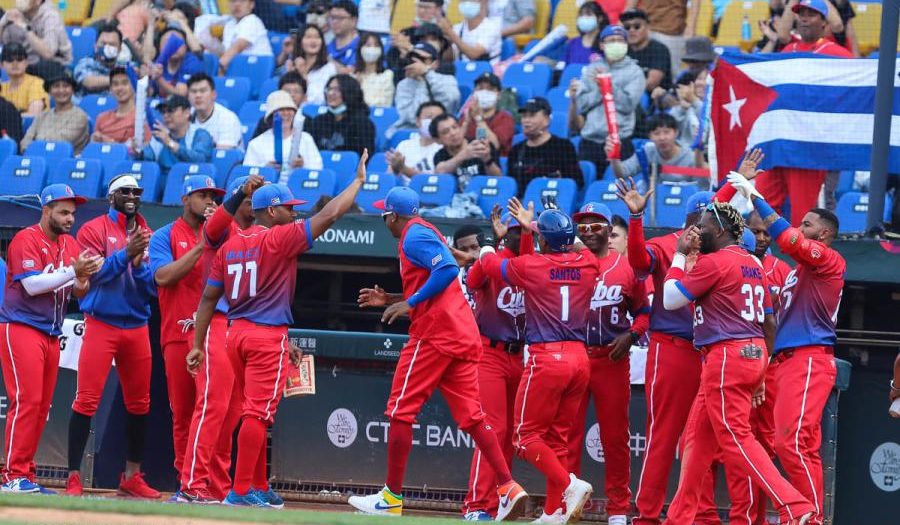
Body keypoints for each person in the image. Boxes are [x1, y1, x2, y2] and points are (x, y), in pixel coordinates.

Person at [189, 152, 370, 506]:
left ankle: (255, 485)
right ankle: (240, 492)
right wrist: (358, 182)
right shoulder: (279, 238)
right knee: (258, 413)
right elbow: (331, 213)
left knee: (250, 411)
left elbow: (209, 298)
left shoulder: (230, 245)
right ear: (271, 211)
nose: (294, 212)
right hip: (264, 335)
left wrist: (198, 344)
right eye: (288, 207)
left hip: (234, 335)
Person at [350, 186, 528, 519]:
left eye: (385, 214)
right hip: (460, 334)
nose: (384, 219)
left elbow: (446, 269)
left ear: (393, 216)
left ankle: (390, 499)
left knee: (401, 411)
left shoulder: (413, 235)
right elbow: (436, 276)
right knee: (474, 419)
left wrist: (409, 303)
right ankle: (507, 486)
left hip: (434, 335)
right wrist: (392, 298)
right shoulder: (425, 230)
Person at [616, 152, 764, 525]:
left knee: (707, 440)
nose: (703, 226)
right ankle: (647, 514)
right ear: (688, 220)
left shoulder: (720, 255)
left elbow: (718, 206)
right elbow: (636, 261)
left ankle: (703, 514)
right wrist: (636, 219)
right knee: (665, 436)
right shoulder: (669, 244)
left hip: (714, 353)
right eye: (699, 219)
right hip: (674, 348)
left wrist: (737, 182)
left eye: (707, 220)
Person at [659, 200, 816, 525]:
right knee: (698, 442)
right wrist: (759, 374)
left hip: (726, 353)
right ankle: (678, 518)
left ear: (719, 229)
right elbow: (769, 325)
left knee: (736, 437)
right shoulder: (753, 264)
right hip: (753, 351)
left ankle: (794, 507)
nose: (697, 230)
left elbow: (670, 299)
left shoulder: (716, 261)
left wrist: (677, 253)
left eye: (703, 224)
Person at [729, 170, 847, 525]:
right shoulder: (797, 271)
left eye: (808, 224)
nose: (802, 227)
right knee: (791, 444)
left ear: (823, 234)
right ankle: (805, 514)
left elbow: (791, 239)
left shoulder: (829, 259)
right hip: (784, 362)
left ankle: (809, 518)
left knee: (794, 443)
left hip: (809, 357)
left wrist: (757, 199)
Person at [476, 206, 596, 523]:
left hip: (548, 358)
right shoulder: (588, 262)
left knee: (524, 439)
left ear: (543, 239)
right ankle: (553, 512)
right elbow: (578, 246)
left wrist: (489, 241)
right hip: (580, 359)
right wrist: (544, 227)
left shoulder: (533, 265)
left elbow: (489, 265)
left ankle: (569, 485)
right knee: (557, 440)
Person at [0, 184, 101, 494]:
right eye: (63, 212)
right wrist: (74, 270)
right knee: (27, 402)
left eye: (72, 213)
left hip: (51, 331)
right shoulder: (25, 239)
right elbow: (32, 286)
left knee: (42, 407)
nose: (70, 218)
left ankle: (25, 474)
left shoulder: (70, 245)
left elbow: (78, 293)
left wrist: (83, 276)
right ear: (46, 210)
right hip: (21, 325)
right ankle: (13, 475)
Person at [66, 175, 159, 499]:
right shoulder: (93, 229)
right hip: (101, 322)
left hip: (136, 325)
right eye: (125, 191)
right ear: (111, 197)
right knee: (87, 399)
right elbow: (94, 275)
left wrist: (137, 263)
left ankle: (132, 476)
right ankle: (74, 477)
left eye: (137, 190)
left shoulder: (145, 232)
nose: (132, 195)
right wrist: (124, 256)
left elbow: (150, 288)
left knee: (140, 404)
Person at [179, 174, 265, 503]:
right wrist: (240, 190)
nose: (252, 202)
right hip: (215, 322)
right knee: (211, 406)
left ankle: (217, 488)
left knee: (233, 412)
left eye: (255, 198)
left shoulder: (261, 236)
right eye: (247, 198)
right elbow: (214, 226)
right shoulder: (221, 228)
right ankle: (192, 485)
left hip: (243, 327)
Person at [567, 201, 650, 525]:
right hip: (574, 357)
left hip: (610, 359)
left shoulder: (624, 267)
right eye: (583, 227)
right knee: (568, 436)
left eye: (596, 226)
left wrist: (631, 335)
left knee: (615, 438)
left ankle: (618, 510)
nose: (589, 232)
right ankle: (567, 503)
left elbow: (644, 312)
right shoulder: (568, 264)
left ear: (608, 231)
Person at [148, 175, 224, 500]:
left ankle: (215, 486)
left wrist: (217, 234)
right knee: (183, 413)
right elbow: (162, 277)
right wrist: (202, 245)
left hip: (216, 334)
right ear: (185, 198)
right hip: (179, 334)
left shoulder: (224, 237)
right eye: (201, 194)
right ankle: (187, 483)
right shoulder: (165, 235)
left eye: (213, 196)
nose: (209, 200)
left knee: (215, 411)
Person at [460, 205, 532, 521]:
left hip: (519, 355)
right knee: (492, 428)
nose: (519, 234)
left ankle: (499, 500)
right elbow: (474, 278)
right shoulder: (494, 261)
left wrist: (528, 231)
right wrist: (493, 243)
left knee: (508, 434)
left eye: (524, 230)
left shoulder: (532, 265)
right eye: (515, 229)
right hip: (489, 353)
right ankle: (476, 505)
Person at [755, 0, 852, 226]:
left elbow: (846, 101)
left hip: (812, 148)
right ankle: (761, 258)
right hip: (780, 144)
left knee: (805, 216)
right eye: (801, 14)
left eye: (812, 14)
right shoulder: (787, 51)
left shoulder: (838, 54)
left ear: (824, 23)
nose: (804, 18)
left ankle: (809, 260)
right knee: (761, 206)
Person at [576, 25, 644, 174]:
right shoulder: (592, 69)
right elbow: (582, 104)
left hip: (619, 141)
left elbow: (628, 105)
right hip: (590, 142)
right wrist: (601, 90)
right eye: (611, 40)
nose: (616, 44)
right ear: (602, 45)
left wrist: (608, 84)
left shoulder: (635, 71)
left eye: (620, 40)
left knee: (618, 188)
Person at [608, 113, 702, 187]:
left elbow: (701, 185)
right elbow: (622, 173)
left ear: (676, 133)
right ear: (649, 136)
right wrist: (614, 157)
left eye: (666, 132)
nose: (662, 138)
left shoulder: (690, 156)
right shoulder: (646, 152)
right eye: (656, 133)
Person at [508, 97, 582, 189]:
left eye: (532, 115)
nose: (526, 120)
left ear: (547, 119)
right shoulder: (515, 150)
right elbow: (510, 187)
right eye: (524, 116)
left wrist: (559, 182)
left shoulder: (563, 147)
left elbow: (577, 182)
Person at [244, 90, 323, 175]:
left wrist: (303, 165)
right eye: (281, 110)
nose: (286, 113)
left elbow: (318, 170)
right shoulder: (256, 143)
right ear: (271, 115)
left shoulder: (306, 139)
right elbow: (247, 176)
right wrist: (265, 169)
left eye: (289, 109)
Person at [135, 94, 214, 176]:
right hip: (163, 186)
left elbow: (200, 160)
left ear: (187, 112)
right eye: (163, 112)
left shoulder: (200, 134)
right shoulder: (161, 136)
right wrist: (138, 152)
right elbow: (148, 157)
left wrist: (170, 143)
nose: (165, 115)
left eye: (170, 110)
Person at [390, 42, 460, 133]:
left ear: (435, 64)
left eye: (421, 59)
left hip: (441, 131)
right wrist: (421, 83)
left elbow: (451, 101)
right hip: (411, 130)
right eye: (412, 59)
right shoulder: (403, 85)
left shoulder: (447, 80)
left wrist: (427, 74)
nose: (416, 63)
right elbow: (410, 117)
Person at [623, 0, 699, 78]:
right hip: (644, 26)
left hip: (671, 30)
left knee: (672, 76)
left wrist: (691, 27)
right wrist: (622, 22)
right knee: (637, 71)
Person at [0, 0, 72, 81]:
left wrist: (25, 28)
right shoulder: (16, 14)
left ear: (38, 1)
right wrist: (3, 22)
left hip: (57, 66)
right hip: (28, 64)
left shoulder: (51, 16)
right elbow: (5, 45)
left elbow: (48, 53)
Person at [307, 74, 376, 157]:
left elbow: (364, 158)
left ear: (349, 92)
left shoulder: (363, 124)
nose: (331, 93)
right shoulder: (319, 121)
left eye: (337, 89)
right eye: (329, 89)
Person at [20, 74, 90, 155]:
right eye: (56, 86)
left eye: (66, 86)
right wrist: (28, 150)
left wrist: (35, 145)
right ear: (49, 91)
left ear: (72, 90)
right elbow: (26, 139)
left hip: (66, 161)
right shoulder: (42, 115)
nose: (61, 90)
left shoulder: (80, 116)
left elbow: (61, 142)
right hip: (37, 157)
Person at [432, 113, 502, 191]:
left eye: (455, 127)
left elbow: (499, 179)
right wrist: (463, 155)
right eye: (446, 132)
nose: (453, 133)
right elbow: (440, 172)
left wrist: (487, 160)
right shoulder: (440, 155)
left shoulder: (481, 146)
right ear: (437, 140)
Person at [212, 0, 274, 75]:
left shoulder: (252, 20)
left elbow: (238, 46)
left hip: (255, 70)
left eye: (242, 1)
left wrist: (220, 70)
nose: (237, 4)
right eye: (233, 1)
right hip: (237, 70)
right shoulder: (229, 24)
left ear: (251, 4)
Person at [386, 101, 446, 178]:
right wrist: (395, 168)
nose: (433, 121)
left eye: (438, 118)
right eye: (429, 117)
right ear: (418, 121)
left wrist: (403, 168)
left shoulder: (445, 148)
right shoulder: (404, 145)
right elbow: (390, 175)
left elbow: (435, 180)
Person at [94, 67, 151, 145]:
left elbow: (145, 151)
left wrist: (111, 143)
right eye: (115, 84)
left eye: (125, 83)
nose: (120, 88)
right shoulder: (101, 118)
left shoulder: (143, 117)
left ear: (135, 86)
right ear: (110, 89)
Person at [144, 26, 205, 98]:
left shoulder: (192, 61)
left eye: (177, 42)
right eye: (167, 42)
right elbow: (149, 93)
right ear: (160, 47)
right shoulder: (159, 62)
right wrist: (145, 78)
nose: (173, 46)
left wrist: (159, 78)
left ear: (185, 47)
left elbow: (181, 94)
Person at [187, 73, 243, 150]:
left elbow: (223, 155)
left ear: (214, 94)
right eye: (193, 91)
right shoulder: (185, 115)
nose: (198, 95)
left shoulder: (227, 118)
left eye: (202, 91)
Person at [463, 72, 515, 156]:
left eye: (490, 89)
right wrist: (466, 123)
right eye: (480, 88)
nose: (484, 92)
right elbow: (455, 144)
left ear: (499, 94)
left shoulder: (505, 118)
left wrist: (479, 119)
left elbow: (495, 145)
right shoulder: (467, 116)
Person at [621, 9, 671, 94]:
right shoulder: (623, 50)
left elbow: (652, 84)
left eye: (637, 26)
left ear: (648, 27)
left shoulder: (659, 49)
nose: (631, 30)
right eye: (627, 27)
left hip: (654, 100)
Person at [286, 24, 339, 105]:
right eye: (308, 37)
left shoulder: (329, 68)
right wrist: (290, 74)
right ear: (300, 41)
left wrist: (303, 75)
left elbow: (320, 99)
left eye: (317, 37)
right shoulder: (292, 65)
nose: (313, 41)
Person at [74, 25, 129, 96]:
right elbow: (89, 82)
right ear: (95, 46)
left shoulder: (124, 66)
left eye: (112, 44)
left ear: (120, 49)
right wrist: (121, 80)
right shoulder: (85, 63)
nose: (107, 47)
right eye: (103, 44)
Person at [0, 43, 47, 117]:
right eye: (10, 59)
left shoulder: (36, 83)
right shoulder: (1, 88)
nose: (15, 63)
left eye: (19, 59)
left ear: (26, 63)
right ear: (1, 65)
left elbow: (33, 115)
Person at [353, 32, 394, 108]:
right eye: (368, 45)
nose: (372, 48)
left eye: (376, 45)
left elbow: (385, 103)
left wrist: (359, 89)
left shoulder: (387, 75)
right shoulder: (353, 77)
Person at [327, 0, 361, 68]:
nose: (335, 22)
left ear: (354, 21)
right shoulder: (326, 47)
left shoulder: (361, 47)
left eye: (340, 18)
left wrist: (329, 61)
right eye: (332, 18)